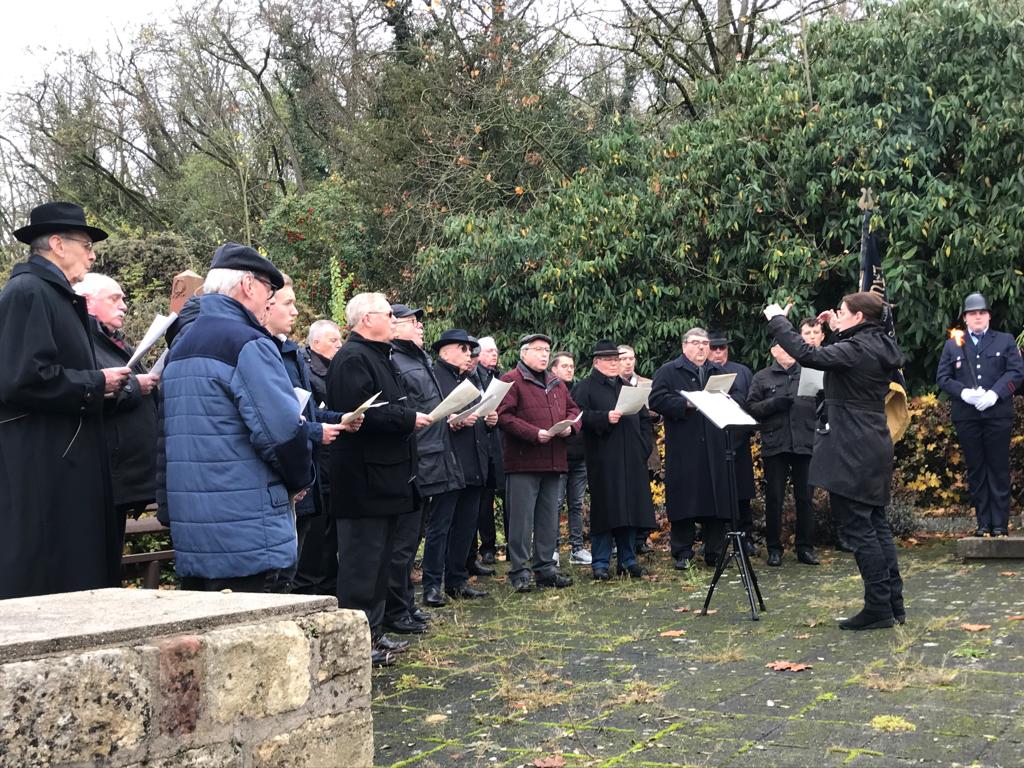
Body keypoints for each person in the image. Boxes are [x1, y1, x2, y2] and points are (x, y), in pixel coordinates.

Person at [163, 243, 313, 594]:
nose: (270, 302)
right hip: (250, 537)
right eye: (269, 291)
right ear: (248, 285)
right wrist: (301, 478)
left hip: (195, 534)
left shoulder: (180, 347)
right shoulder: (248, 343)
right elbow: (284, 433)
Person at [0, 202, 130, 598]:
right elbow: (22, 379)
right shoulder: (27, 293)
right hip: (43, 462)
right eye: (86, 243)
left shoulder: (55, 295)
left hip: (66, 458)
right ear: (57, 243)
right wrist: (96, 382)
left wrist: (103, 386)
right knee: (50, 572)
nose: (92, 255)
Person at [764, 291, 906, 630]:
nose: (833, 315)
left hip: (852, 445)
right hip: (873, 440)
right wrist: (839, 328)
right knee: (875, 523)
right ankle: (893, 604)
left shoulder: (857, 349)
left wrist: (776, 319)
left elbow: (806, 354)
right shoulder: (877, 343)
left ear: (858, 317)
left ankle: (878, 608)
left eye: (841, 311)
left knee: (859, 527)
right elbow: (845, 351)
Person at [327, 293, 432, 666]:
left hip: (388, 480)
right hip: (363, 484)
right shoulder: (353, 359)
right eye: (388, 314)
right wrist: (408, 419)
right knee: (360, 566)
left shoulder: (380, 356)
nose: (394, 320)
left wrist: (406, 416)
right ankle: (353, 644)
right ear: (366, 319)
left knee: (380, 565)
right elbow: (358, 417)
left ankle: (374, 633)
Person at [263, 277, 351, 593]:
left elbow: (308, 410)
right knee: (296, 563)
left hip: (307, 470)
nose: (296, 311)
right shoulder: (262, 353)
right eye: (288, 303)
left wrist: (342, 419)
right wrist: (316, 430)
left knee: (312, 550)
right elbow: (273, 419)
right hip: (288, 472)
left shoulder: (290, 353)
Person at [75, 273, 161, 550]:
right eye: (114, 298)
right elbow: (88, 389)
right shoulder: (81, 342)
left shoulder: (113, 341)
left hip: (127, 478)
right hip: (106, 478)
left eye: (123, 299)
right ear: (87, 302)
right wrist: (136, 386)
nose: (123, 305)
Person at [390, 304, 464, 623]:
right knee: (404, 542)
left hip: (438, 453)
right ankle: (398, 608)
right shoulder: (394, 360)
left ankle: (406, 604)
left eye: (419, 322)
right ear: (391, 326)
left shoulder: (418, 359)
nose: (420, 326)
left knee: (416, 535)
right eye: (411, 322)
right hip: (417, 459)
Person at [936, 292, 1024, 536]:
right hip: (967, 415)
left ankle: (999, 524)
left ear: (988, 316)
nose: (977, 317)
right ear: (965, 318)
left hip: (997, 414)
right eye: (972, 313)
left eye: (981, 313)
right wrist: (963, 393)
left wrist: (995, 394)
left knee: (997, 467)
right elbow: (943, 377)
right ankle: (983, 522)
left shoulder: (1004, 341)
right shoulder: (954, 344)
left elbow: (1016, 373)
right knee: (976, 469)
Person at [497, 333, 578, 592]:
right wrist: (534, 434)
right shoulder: (511, 380)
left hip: (554, 460)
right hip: (523, 461)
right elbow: (503, 416)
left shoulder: (556, 382)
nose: (544, 354)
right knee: (521, 521)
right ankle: (519, 571)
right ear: (524, 353)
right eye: (538, 349)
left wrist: (571, 428)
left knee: (548, 519)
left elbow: (574, 410)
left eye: (547, 350)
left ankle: (545, 568)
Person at [571, 340, 656, 580]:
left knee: (630, 511)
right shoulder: (585, 388)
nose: (613, 364)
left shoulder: (628, 386)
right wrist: (603, 418)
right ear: (597, 362)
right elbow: (577, 418)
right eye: (608, 360)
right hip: (603, 459)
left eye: (616, 360)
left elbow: (643, 418)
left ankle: (628, 560)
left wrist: (643, 447)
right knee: (606, 511)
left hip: (632, 458)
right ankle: (600, 562)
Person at [650, 328, 731, 570]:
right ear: (685, 346)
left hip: (714, 443)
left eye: (705, 343)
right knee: (685, 498)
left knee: (715, 499)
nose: (701, 348)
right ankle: (682, 551)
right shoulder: (669, 371)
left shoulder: (717, 371)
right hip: (685, 445)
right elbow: (656, 400)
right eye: (696, 343)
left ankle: (714, 551)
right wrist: (685, 403)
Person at [432, 329, 495, 598]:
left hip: (473, 462)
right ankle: (433, 585)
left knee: (466, 526)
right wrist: (453, 420)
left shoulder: (469, 378)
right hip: (448, 462)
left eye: (470, 350)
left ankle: (458, 581)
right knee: (441, 526)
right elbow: (430, 418)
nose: (469, 355)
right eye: (463, 349)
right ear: (445, 350)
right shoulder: (434, 377)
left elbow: (477, 416)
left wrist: (489, 422)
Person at [746, 342, 818, 566]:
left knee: (805, 498)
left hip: (805, 443)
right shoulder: (762, 377)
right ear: (773, 351)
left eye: (790, 347)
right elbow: (751, 407)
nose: (787, 352)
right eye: (782, 348)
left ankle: (805, 548)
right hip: (776, 444)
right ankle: (774, 549)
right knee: (774, 498)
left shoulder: (810, 374)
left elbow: (825, 403)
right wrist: (773, 404)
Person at [297, 318, 345, 595]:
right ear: (315, 343)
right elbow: (313, 414)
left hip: (334, 462)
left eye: (340, 340)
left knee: (331, 536)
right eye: (333, 341)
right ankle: (316, 589)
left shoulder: (333, 369)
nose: (339, 345)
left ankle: (330, 586)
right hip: (320, 462)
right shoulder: (309, 371)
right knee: (318, 536)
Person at [800, 316, 850, 552]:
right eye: (807, 333)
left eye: (815, 333)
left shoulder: (833, 357)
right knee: (806, 489)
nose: (811, 337)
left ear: (822, 335)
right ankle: (806, 541)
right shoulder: (795, 362)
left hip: (831, 427)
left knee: (837, 485)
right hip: (803, 431)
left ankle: (842, 535)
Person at [550, 351, 592, 565]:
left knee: (576, 504)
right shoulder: (548, 391)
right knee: (555, 505)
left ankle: (577, 548)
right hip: (558, 456)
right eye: (564, 366)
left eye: (571, 366)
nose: (569, 369)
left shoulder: (581, 390)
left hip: (579, 456)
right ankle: (553, 549)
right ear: (554, 369)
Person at [619, 343, 661, 555]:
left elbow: (660, 411)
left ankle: (641, 538)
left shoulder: (647, 383)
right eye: (623, 358)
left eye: (631, 358)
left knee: (643, 494)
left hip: (645, 446)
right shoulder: (612, 386)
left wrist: (655, 414)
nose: (627, 362)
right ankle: (624, 539)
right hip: (620, 446)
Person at [470, 336, 504, 565]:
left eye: (495, 351)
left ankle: (494, 545)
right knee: (480, 501)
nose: (494, 355)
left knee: (496, 494)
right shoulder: (474, 377)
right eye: (489, 351)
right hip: (478, 444)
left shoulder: (499, 377)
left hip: (498, 445)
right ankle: (484, 548)